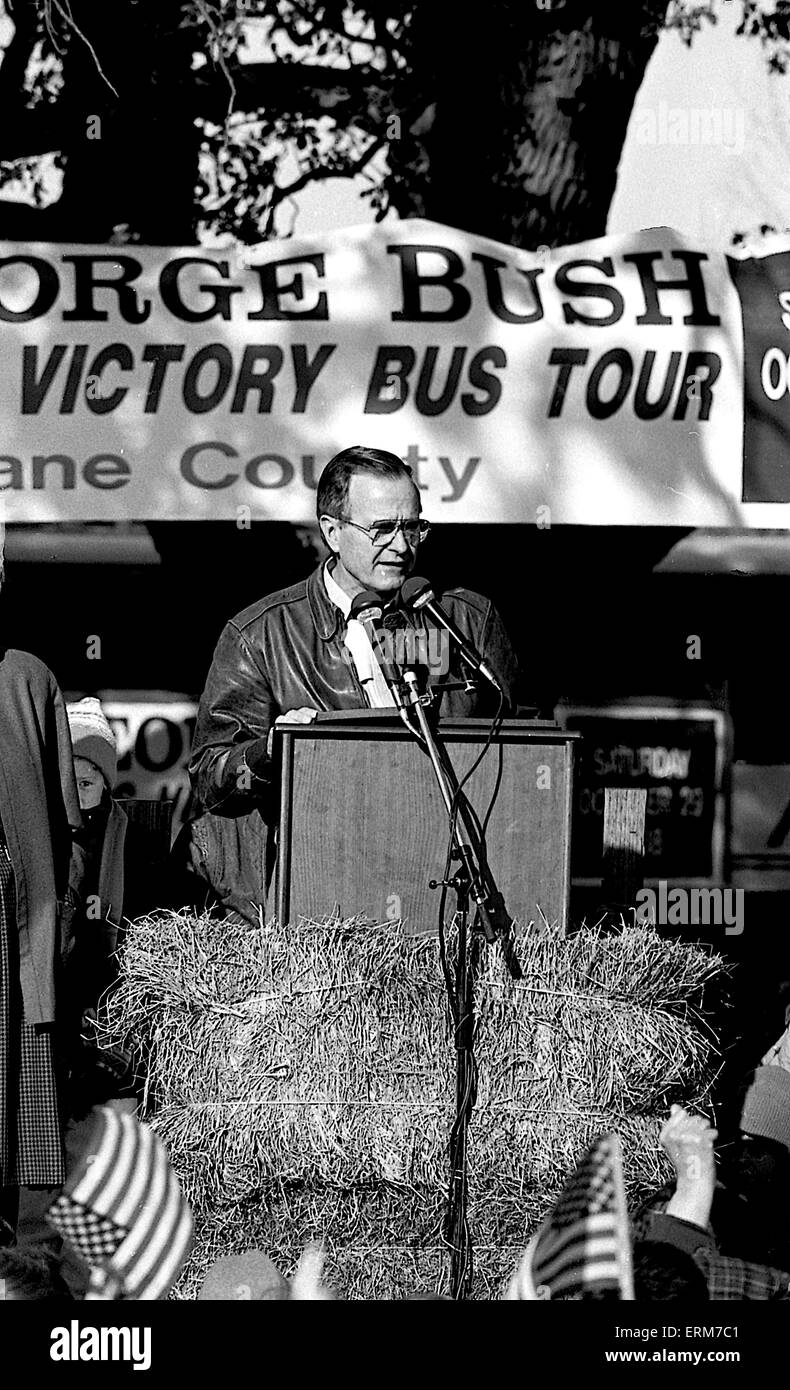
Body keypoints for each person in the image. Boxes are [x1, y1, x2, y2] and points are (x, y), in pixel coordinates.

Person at [185, 445, 523, 921]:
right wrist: (270, 751)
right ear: (332, 532)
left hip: (448, 887)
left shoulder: (464, 621)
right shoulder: (261, 635)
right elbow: (209, 778)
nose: (403, 547)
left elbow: (527, 751)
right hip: (324, 897)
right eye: (383, 529)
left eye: (413, 527)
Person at [0, 527, 86, 1257]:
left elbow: (69, 825)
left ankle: (29, 1286)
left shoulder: (27, 677)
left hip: (14, 920)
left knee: (27, 1127)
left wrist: (54, 927)